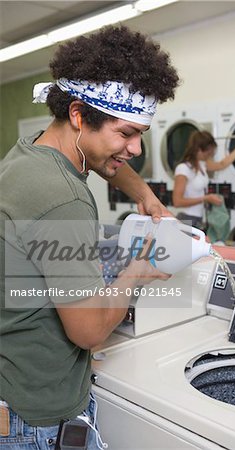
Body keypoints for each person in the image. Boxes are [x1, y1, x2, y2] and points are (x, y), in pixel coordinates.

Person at [0, 25, 179, 449]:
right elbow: (89, 333)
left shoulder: (30, 152)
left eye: (141, 134)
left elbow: (103, 159)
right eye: (126, 133)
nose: (135, 148)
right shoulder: (64, 199)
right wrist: (136, 271)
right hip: (39, 417)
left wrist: (144, 193)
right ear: (79, 115)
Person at [172, 130, 235, 229]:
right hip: (186, 219)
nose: (210, 155)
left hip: (198, 219)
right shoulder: (183, 169)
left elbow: (222, 164)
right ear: (199, 150)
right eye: (208, 152)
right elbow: (177, 201)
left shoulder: (201, 164)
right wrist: (206, 198)